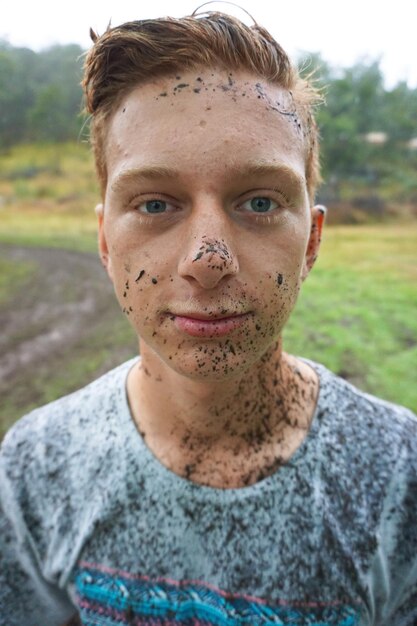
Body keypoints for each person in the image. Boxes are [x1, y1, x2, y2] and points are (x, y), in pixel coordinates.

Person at [1, 9, 416, 626]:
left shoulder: (399, 478)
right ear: (105, 241)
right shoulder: (36, 467)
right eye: (155, 203)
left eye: (258, 201)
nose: (207, 260)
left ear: (311, 241)